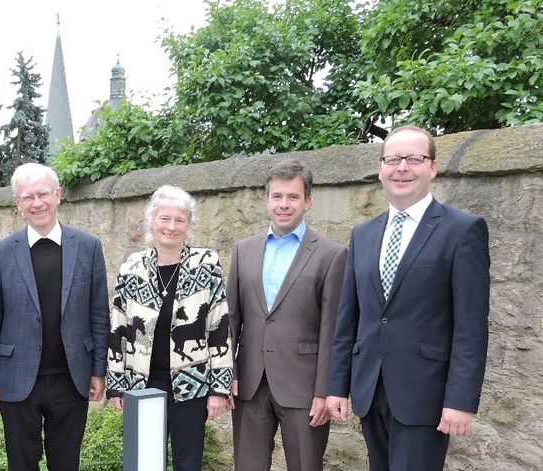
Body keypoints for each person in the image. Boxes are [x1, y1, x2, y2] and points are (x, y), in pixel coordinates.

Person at [326, 125, 491, 470]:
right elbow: (349, 318)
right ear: (381, 169)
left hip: (425, 396)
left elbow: (470, 326)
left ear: (432, 167)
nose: (402, 167)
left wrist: (460, 401)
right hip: (370, 389)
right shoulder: (363, 234)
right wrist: (337, 386)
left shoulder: (462, 230)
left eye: (414, 159)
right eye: (393, 159)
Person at [0, 162, 109, 471]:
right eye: (27, 197)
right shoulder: (1, 253)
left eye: (43, 194)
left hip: (71, 377)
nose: (37, 203)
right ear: (17, 204)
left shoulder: (88, 247)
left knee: (66, 463)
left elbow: (99, 314)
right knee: (21, 464)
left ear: (58, 195)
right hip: (17, 378)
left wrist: (98, 370)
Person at [226, 159, 346, 470]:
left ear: (308, 201)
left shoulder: (331, 255)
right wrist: (230, 373)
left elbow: (332, 330)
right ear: (267, 200)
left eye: (292, 197)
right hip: (250, 384)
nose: (283, 205)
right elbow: (231, 321)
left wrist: (324, 391)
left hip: (304, 389)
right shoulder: (243, 251)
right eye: (277, 196)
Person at [107, 185, 233, 471]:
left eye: (179, 220)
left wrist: (219, 389)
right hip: (142, 384)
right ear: (152, 220)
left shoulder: (206, 264)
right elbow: (118, 327)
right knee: (146, 463)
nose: (171, 227)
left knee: (188, 464)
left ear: (188, 224)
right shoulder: (132, 267)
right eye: (164, 218)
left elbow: (219, 326)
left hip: (192, 385)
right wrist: (116, 385)